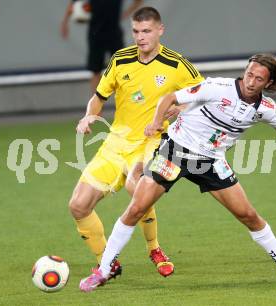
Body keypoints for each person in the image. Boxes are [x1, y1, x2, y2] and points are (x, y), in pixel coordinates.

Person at [79, 53, 276, 292]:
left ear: (269, 82)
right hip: (175, 152)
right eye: (249, 74)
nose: (251, 81)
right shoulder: (217, 88)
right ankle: (103, 271)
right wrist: (157, 122)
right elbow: (169, 99)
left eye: (259, 79)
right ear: (244, 71)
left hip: (210, 162)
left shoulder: (264, 107)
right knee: (136, 208)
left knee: (248, 214)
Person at [71, 6, 205, 288]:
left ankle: (154, 248)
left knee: (137, 187)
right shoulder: (121, 59)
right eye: (135, 31)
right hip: (117, 141)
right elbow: (99, 96)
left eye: (146, 31)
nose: (140, 37)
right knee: (78, 206)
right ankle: (107, 261)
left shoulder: (177, 65)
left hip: (153, 140)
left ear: (160, 30)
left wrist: (177, 109)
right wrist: (88, 116)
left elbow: (204, 97)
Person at [60, 0, 144, 92]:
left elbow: (138, 1)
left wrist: (127, 13)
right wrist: (65, 22)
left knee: (122, 69)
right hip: (96, 33)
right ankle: (96, 104)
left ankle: (126, 102)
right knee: (96, 70)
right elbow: (73, 3)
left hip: (114, 33)